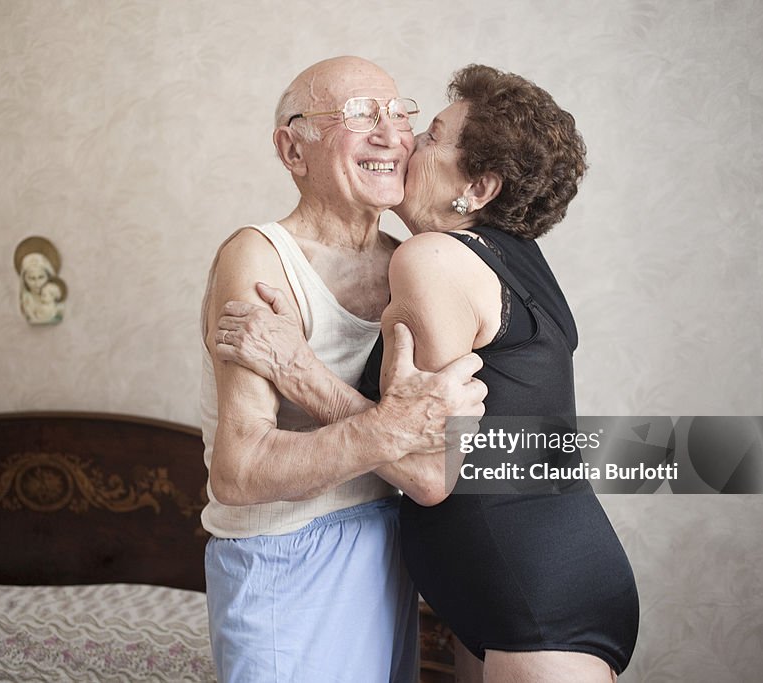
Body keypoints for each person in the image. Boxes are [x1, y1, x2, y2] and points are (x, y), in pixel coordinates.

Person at [215, 64, 639, 682]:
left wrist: (299, 369)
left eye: (428, 134)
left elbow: (425, 469)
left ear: (479, 188)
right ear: (291, 148)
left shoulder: (430, 258)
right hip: (526, 582)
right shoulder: (514, 256)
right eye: (363, 117)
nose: (405, 142)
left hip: (531, 598)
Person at [199, 56, 487, 683]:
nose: (390, 135)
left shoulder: (411, 263)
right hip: (284, 555)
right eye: (359, 115)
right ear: (292, 149)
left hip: (390, 547)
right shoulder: (259, 256)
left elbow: (439, 460)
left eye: (399, 113)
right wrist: (392, 432)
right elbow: (239, 473)